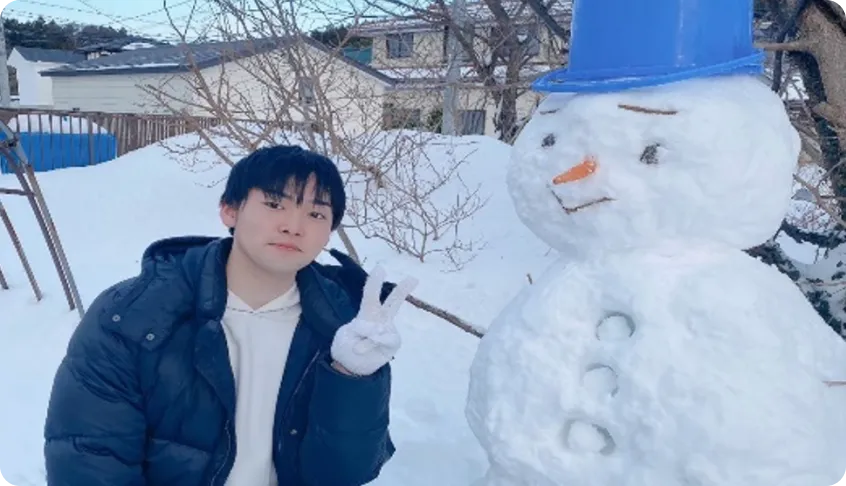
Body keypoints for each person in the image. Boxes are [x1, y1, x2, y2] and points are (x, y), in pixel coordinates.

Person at [42, 145, 418, 486]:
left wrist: (352, 378)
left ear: (329, 231)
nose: (293, 225)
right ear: (230, 210)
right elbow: (90, 461)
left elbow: (343, 474)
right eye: (274, 204)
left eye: (316, 213)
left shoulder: (342, 326)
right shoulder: (133, 316)